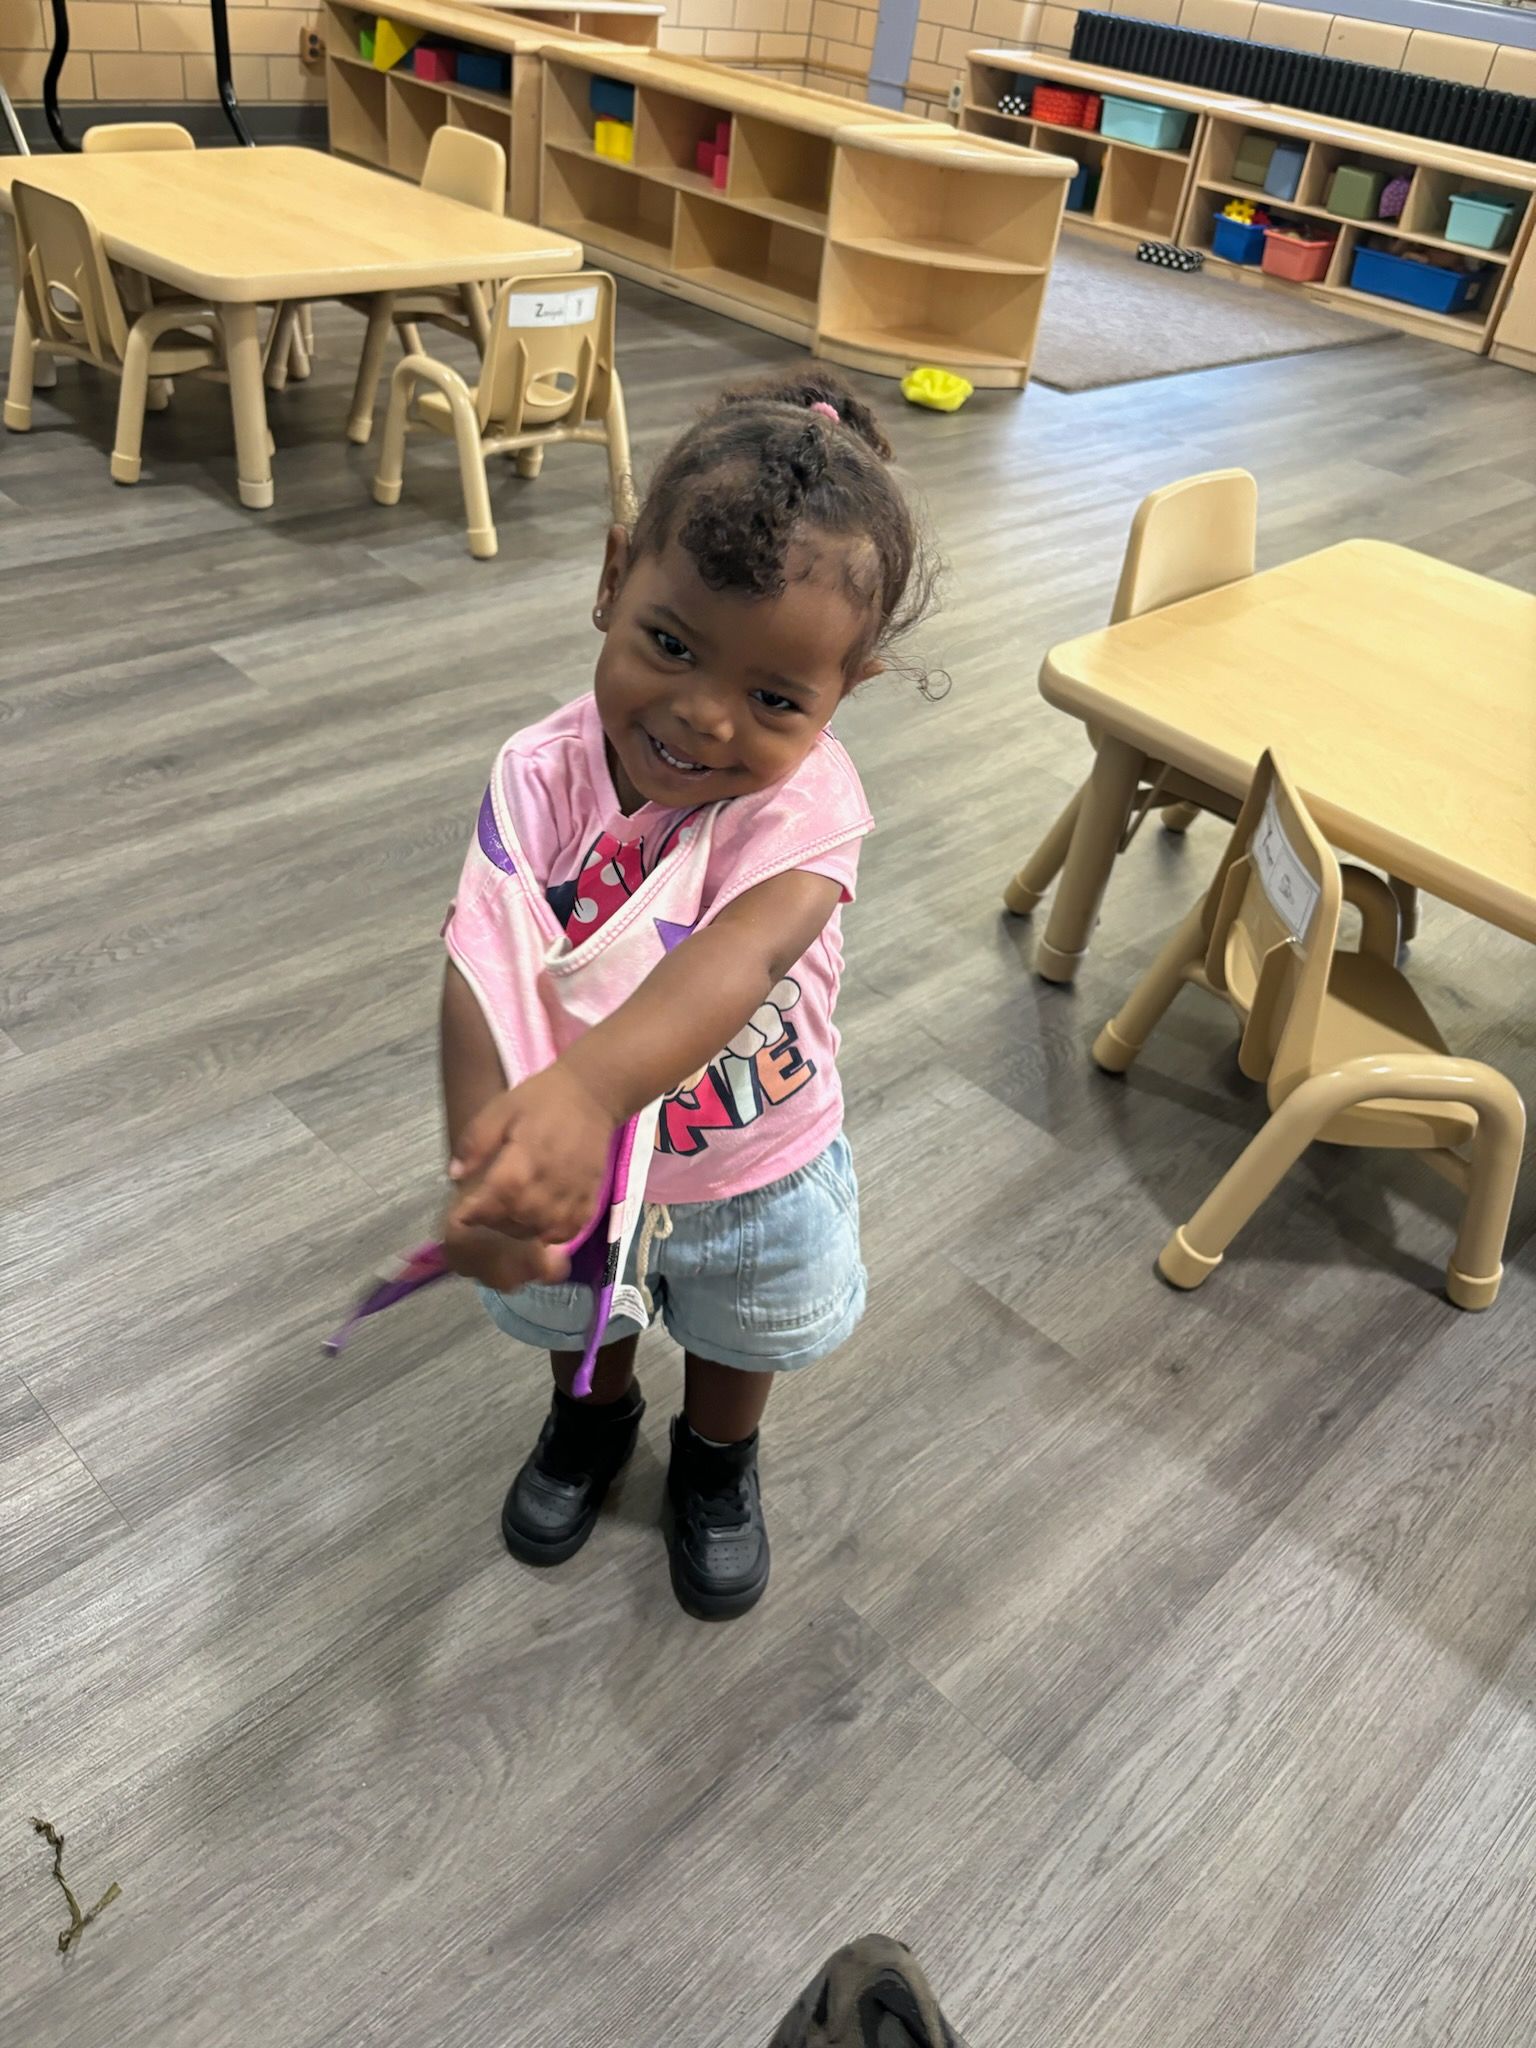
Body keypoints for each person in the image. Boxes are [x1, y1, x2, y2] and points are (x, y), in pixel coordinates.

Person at [438, 365, 934, 1621]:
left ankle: (716, 1462)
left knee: (740, 1333)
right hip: (583, 1166)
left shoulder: (811, 802)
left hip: (757, 1159)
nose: (706, 718)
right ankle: (590, 1422)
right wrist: (486, 1145)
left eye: (774, 697)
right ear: (614, 578)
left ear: (847, 691)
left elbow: (742, 957)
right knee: (578, 1316)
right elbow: (477, 957)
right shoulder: (538, 775)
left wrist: (584, 1090)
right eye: (671, 644)